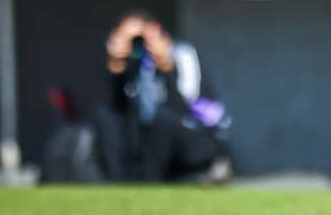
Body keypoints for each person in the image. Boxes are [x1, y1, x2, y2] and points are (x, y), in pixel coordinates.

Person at [95, 11, 232, 184]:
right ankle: (118, 184)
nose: (139, 43)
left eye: (141, 37)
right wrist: (117, 66)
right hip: (147, 137)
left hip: (195, 135)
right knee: (106, 117)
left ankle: (151, 184)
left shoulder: (182, 54)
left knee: (163, 119)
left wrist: (166, 67)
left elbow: (185, 108)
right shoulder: (134, 60)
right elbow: (119, 107)